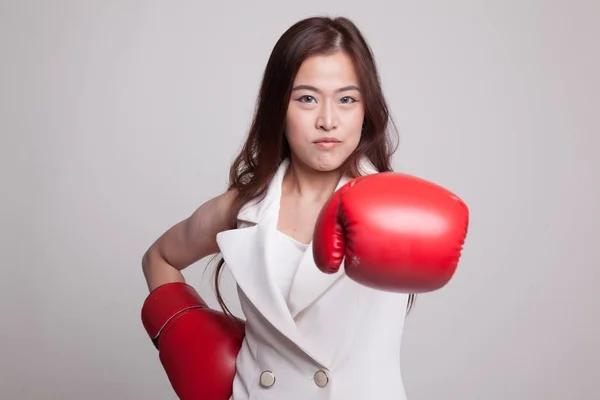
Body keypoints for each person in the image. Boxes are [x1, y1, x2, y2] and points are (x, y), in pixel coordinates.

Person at [140, 16, 469, 400]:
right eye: (307, 98)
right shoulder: (241, 207)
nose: (327, 121)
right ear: (279, 107)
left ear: (366, 111)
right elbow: (159, 257)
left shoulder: (399, 208)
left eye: (347, 99)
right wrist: (184, 336)